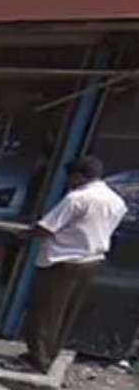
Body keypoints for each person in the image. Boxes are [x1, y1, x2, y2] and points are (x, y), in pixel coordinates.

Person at [17, 155, 128, 372]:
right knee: (66, 313)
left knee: (45, 312)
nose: (69, 181)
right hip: (91, 262)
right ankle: (49, 354)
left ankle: (37, 360)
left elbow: (47, 228)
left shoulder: (77, 198)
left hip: (63, 262)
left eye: (71, 176)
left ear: (78, 176)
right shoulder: (117, 201)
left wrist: (23, 233)